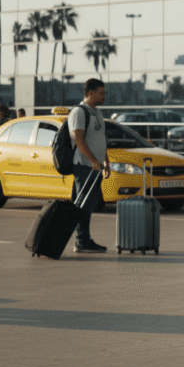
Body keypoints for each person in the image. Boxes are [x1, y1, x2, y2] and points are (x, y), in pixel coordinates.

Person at [70, 78, 111, 253]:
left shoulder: (97, 113)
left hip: (95, 167)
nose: (104, 96)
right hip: (84, 166)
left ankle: (83, 238)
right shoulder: (79, 112)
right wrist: (94, 160)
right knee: (84, 205)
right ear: (91, 93)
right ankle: (82, 240)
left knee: (87, 204)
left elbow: (100, 139)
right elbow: (78, 139)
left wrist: (105, 161)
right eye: (101, 93)